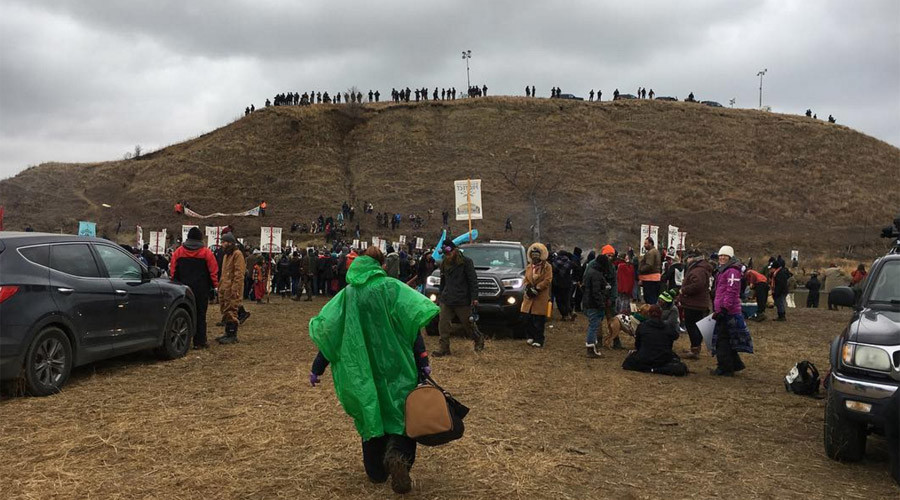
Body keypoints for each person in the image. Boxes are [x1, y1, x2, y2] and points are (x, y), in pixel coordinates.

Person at [308, 246, 439, 494]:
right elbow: (411, 325)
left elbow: (331, 333)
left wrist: (318, 368)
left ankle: (376, 470)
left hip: (362, 370)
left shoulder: (348, 295)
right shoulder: (392, 288)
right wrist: (422, 360)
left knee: (371, 411)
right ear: (381, 265)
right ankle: (398, 456)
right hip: (397, 365)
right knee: (401, 415)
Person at [169, 227, 219, 349]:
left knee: (183, 313)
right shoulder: (206, 253)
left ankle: (182, 338)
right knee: (201, 315)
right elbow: (214, 271)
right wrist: (215, 286)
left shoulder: (178, 252)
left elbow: (173, 271)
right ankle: (200, 341)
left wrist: (174, 283)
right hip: (201, 290)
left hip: (182, 289)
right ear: (200, 238)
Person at [710, 245, 753, 375]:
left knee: (721, 340)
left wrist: (724, 308)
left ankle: (725, 367)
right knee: (728, 339)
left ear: (730, 257)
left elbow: (731, 291)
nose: (722, 258)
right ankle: (734, 364)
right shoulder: (723, 270)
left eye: (725, 256)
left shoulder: (732, 271)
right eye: (721, 255)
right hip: (723, 309)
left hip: (727, 311)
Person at [434, 241, 482, 356]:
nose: (447, 256)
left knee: (468, 324)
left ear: (455, 250)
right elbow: (443, 281)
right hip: (447, 298)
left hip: (462, 299)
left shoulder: (466, 262)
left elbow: (472, 280)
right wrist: (440, 296)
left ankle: (478, 339)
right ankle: (444, 348)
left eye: (449, 253)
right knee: (443, 323)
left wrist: (474, 297)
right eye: (445, 254)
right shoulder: (444, 263)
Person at [622, 305, 687, 376]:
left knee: (629, 361)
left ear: (649, 314)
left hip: (645, 357)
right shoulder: (667, 327)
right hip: (663, 358)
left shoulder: (642, 326)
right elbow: (675, 336)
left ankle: (650, 369)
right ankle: (658, 369)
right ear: (661, 315)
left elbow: (638, 344)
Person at [679, 250, 713, 359]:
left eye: (688, 258)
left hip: (694, 303)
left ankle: (695, 349)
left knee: (692, 326)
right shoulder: (701, 269)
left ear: (693, 258)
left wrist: (684, 290)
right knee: (695, 326)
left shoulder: (697, 271)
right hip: (698, 302)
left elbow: (697, 285)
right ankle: (695, 348)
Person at [217, 233, 246, 345]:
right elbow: (224, 273)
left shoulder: (237, 254)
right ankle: (227, 333)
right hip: (224, 288)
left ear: (230, 243)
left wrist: (235, 289)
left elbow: (239, 273)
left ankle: (232, 334)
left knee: (232, 310)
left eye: (224, 242)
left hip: (232, 288)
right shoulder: (226, 256)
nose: (222, 244)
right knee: (225, 309)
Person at [522, 243, 552, 348]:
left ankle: (539, 339)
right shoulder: (529, 267)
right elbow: (525, 279)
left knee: (538, 320)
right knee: (527, 318)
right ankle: (530, 336)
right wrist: (528, 287)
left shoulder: (547, 267)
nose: (535, 257)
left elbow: (547, 280)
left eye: (537, 254)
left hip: (540, 297)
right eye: (533, 254)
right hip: (529, 297)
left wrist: (537, 288)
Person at [582, 254, 612, 358]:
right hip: (594, 304)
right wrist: (601, 304)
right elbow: (596, 292)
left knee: (593, 325)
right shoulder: (597, 275)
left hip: (589, 303)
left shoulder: (591, 271)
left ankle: (593, 347)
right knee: (593, 326)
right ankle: (590, 349)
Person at [552, 252, 575, 321]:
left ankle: (564, 315)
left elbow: (553, 271)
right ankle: (571, 312)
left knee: (559, 300)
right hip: (568, 283)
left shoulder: (555, 263)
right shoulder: (569, 262)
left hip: (558, 284)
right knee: (566, 299)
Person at [638, 238, 662, 305]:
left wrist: (640, 270)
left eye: (646, 243)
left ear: (650, 243)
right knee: (654, 298)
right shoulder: (656, 251)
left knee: (649, 298)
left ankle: (651, 313)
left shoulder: (650, 253)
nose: (644, 245)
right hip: (656, 278)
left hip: (649, 278)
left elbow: (649, 265)